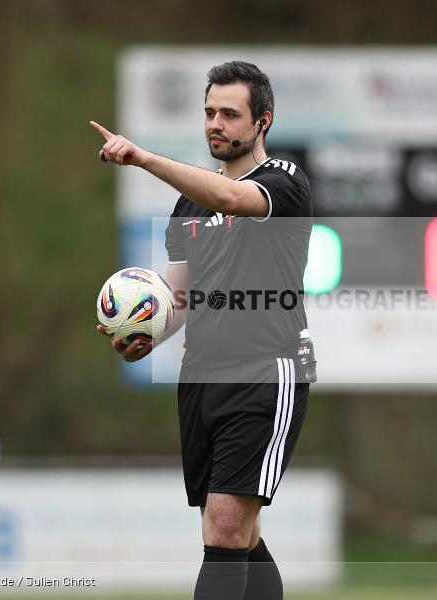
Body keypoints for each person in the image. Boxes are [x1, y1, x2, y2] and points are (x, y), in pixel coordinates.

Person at [92, 61, 312, 600]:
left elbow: (232, 199)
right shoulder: (186, 205)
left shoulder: (282, 180)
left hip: (266, 370)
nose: (216, 123)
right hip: (202, 376)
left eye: (230, 114)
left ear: (263, 121)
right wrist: (139, 335)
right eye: (210, 112)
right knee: (237, 532)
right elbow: (179, 299)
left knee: (224, 526)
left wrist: (142, 157)